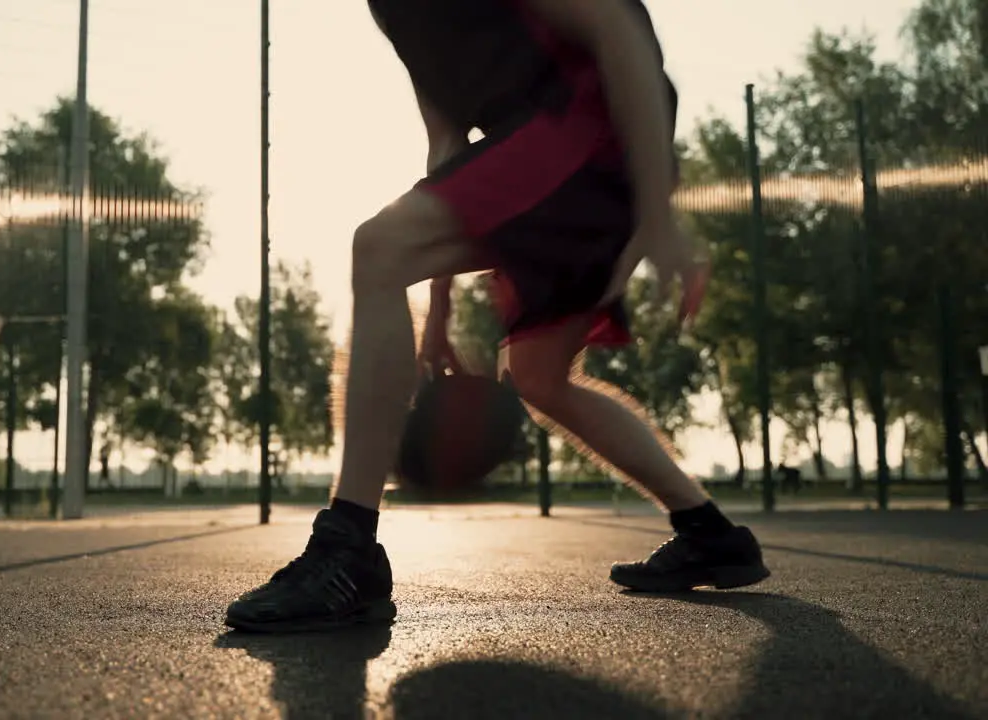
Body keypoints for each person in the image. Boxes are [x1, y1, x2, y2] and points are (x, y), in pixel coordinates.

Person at [224, 0, 769, 633]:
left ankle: (346, 551)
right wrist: (438, 313)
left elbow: (615, 25)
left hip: (596, 131)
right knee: (538, 378)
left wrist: (658, 214)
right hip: (553, 153)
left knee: (377, 247)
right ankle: (709, 532)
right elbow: (448, 145)